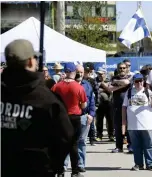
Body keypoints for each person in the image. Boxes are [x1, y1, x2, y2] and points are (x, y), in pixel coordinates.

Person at [1, 39, 74, 177]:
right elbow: (66, 136)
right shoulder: (46, 98)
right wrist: (53, 165)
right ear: (30, 61)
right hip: (38, 168)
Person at [52, 62, 87, 177]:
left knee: (60, 144)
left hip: (61, 117)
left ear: (65, 72)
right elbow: (84, 105)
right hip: (74, 117)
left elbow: (51, 99)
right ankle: (75, 171)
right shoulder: (78, 87)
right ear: (74, 72)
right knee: (73, 145)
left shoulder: (57, 86)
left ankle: (60, 171)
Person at [122, 73, 152, 171]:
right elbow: (124, 107)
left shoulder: (148, 92)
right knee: (136, 146)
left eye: (141, 81)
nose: (139, 83)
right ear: (133, 82)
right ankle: (138, 164)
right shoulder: (129, 92)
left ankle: (150, 164)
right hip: (133, 125)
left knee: (149, 145)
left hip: (146, 125)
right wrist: (123, 122)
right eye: (137, 81)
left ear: (143, 81)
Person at [64, 65, 95, 173]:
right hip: (70, 117)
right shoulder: (65, 84)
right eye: (78, 72)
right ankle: (64, 165)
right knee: (68, 141)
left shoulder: (87, 85)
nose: (80, 74)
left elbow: (91, 101)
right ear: (73, 72)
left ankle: (80, 164)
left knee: (82, 142)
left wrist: (91, 114)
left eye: (82, 72)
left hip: (84, 117)